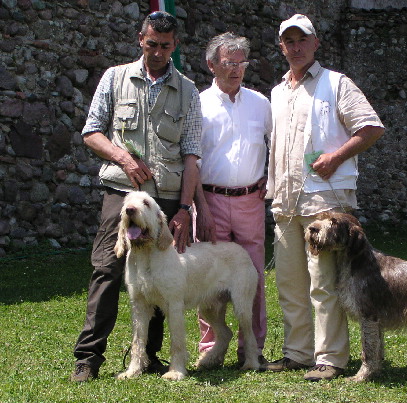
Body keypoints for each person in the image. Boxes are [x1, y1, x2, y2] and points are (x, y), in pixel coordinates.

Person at [70, 11, 210, 382]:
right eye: (152, 44)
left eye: (166, 46)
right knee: (107, 269)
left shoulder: (188, 91)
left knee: (164, 274)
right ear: (140, 39)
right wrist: (122, 158)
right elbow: (91, 132)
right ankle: (88, 358)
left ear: (175, 46)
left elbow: (192, 154)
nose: (158, 52)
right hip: (121, 193)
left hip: (165, 196)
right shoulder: (115, 79)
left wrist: (184, 208)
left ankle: (148, 355)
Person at [265, 14, 385, 381]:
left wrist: (336, 157)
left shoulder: (337, 84)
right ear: (281, 46)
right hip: (285, 204)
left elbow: (371, 127)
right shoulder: (277, 91)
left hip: (326, 204)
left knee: (323, 283)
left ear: (316, 43)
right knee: (290, 285)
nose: (296, 47)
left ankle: (331, 358)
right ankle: (297, 353)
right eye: (289, 41)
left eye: (303, 40)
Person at [197, 32, 272, 367]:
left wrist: (268, 183)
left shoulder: (260, 104)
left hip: (250, 201)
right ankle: (211, 348)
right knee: (207, 277)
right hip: (210, 199)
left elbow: (279, 146)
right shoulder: (197, 104)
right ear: (212, 64)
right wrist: (199, 206)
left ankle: (251, 349)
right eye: (229, 63)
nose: (237, 70)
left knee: (253, 276)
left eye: (242, 63)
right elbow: (190, 158)